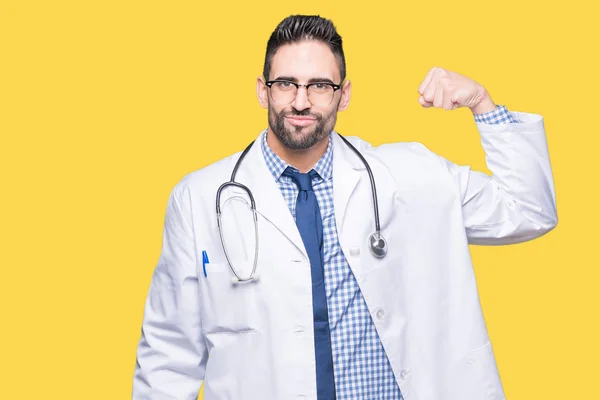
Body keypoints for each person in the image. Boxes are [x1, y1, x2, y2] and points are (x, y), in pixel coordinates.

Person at [132, 14, 557, 400]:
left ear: (344, 94)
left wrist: (481, 102)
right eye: (286, 84)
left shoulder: (413, 176)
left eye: (320, 86)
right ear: (263, 91)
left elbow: (529, 209)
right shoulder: (200, 198)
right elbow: (169, 355)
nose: (301, 101)